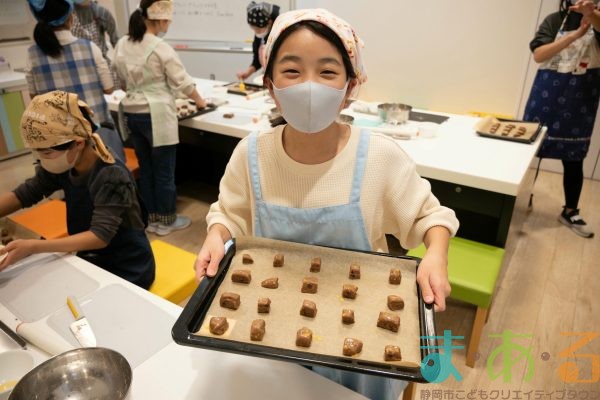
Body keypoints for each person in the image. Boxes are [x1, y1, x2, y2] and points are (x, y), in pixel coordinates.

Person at [194, 9, 459, 400]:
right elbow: (229, 212)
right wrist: (217, 235)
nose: (310, 86)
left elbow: (429, 216)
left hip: (360, 344)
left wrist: (436, 253)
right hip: (271, 331)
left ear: (351, 85)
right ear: (270, 85)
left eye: (328, 72)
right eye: (292, 71)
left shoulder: (379, 156)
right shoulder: (252, 153)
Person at [0, 91, 155, 289]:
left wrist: (33, 247)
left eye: (46, 152)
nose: (42, 159)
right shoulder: (64, 162)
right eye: (37, 152)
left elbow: (99, 237)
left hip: (127, 266)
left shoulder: (111, 174)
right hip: (90, 257)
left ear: (78, 143)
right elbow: (25, 194)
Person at [112, 0, 208, 236]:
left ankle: (151, 217)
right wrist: (200, 100)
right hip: (156, 114)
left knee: (147, 169)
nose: (168, 24)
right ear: (159, 19)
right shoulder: (159, 46)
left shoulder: (123, 43)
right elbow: (182, 81)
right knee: (164, 171)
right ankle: (166, 220)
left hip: (133, 113)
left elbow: (119, 74)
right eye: (168, 20)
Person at [523, 0, 600, 238]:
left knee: (574, 157)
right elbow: (539, 54)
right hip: (546, 96)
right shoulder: (555, 20)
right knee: (528, 152)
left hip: (580, 99)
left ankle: (569, 211)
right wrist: (576, 35)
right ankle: (522, 196)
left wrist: (592, 16)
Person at [25, 0, 124, 162]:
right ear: (70, 17)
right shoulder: (90, 48)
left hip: (60, 139)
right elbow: (109, 88)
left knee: (72, 181)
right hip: (96, 132)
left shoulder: (32, 55)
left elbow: (34, 98)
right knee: (107, 178)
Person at [236, 1, 280, 81]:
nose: (256, 32)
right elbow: (257, 61)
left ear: (269, 23)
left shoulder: (278, 37)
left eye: (258, 29)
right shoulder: (259, 36)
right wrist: (247, 73)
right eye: (253, 29)